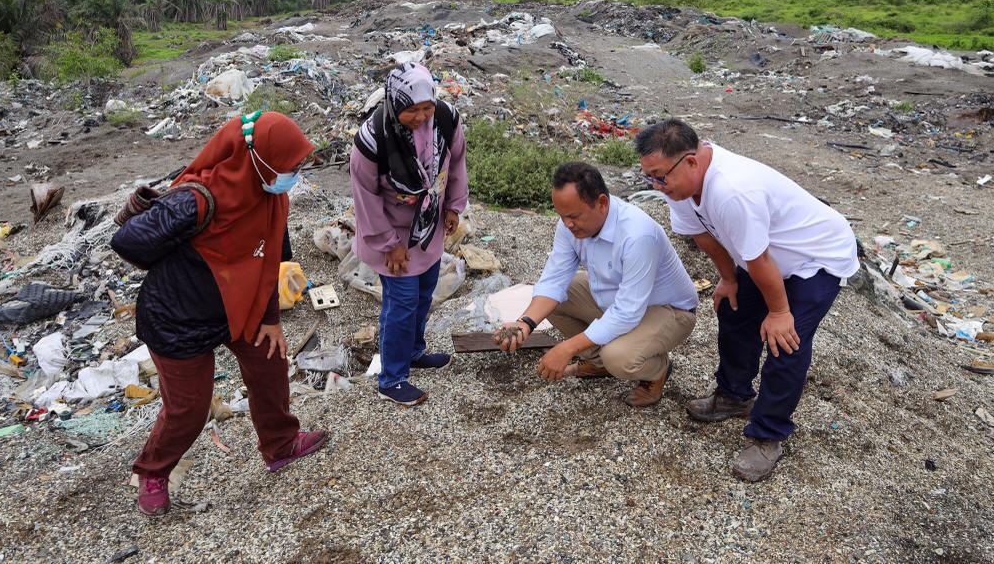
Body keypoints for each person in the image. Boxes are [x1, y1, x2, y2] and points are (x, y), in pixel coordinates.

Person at [111, 111, 328, 517]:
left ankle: (281, 445)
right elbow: (127, 240)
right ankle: (153, 472)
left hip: (239, 307)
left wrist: (271, 320)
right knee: (189, 408)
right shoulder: (195, 199)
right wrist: (184, 262)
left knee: (269, 365)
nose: (295, 173)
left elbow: (270, 262)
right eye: (290, 165)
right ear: (259, 158)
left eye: (298, 164)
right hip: (178, 317)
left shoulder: (271, 197)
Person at [635, 119, 859, 482]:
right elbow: (703, 236)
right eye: (651, 178)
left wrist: (780, 311)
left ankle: (768, 434)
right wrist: (727, 278)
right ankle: (734, 395)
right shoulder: (679, 186)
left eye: (661, 177)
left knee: (785, 340)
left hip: (816, 257)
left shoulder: (732, 191)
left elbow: (760, 260)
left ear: (690, 161)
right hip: (770, 258)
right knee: (733, 308)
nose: (657, 186)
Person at [496, 162, 698, 407]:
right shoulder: (569, 226)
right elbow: (553, 280)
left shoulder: (637, 235)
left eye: (574, 216)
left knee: (619, 357)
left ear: (602, 203)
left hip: (668, 311)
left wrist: (567, 348)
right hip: (615, 300)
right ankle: (597, 363)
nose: (567, 224)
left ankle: (658, 370)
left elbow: (627, 313)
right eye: (561, 216)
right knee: (559, 295)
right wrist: (524, 323)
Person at [350, 63, 468, 407]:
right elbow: (365, 197)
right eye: (411, 110)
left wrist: (453, 206)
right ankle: (392, 377)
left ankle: (414, 351)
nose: (421, 116)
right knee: (400, 303)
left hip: (427, 225)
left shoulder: (446, 119)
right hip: (389, 232)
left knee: (423, 293)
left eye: (426, 107)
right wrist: (390, 244)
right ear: (394, 102)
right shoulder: (372, 141)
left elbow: (456, 161)